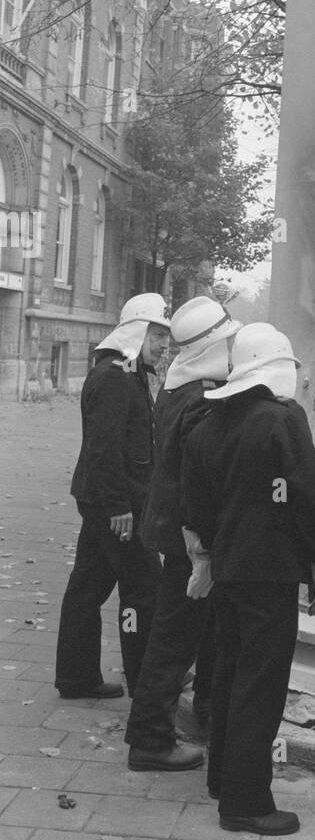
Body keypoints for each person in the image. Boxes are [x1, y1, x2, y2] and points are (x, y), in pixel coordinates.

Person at [181, 323, 315, 835]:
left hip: (228, 567)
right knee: (261, 684)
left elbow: (195, 507)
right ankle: (246, 801)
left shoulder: (206, 424)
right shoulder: (282, 421)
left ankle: (223, 776)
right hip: (270, 571)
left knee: (228, 670)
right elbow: (308, 496)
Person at [124, 296, 242, 771]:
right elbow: (201, 478)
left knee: (176, 634)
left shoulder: (179, 384)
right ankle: (151, 741)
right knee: (173, 640)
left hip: (171, 529)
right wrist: (205, 549)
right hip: (186, 537)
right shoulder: (202, 397)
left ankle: (159, 729)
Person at [55, 294, 171, 700]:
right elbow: (104, 447)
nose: (162, 345)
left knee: (87, 587)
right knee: (144, 590)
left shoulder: (125, 373)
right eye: (157, 336)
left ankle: (75, 678)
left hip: (105, 498)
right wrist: (119, 505)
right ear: (136, 333)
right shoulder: (115, 376)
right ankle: (144, 682)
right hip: (115, 503)